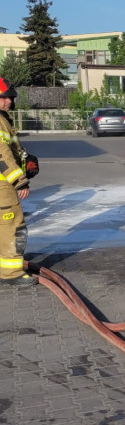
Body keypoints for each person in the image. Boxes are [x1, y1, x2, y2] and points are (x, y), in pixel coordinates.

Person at [0, 77, 39, 288]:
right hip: (3, 186)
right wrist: (20, 181)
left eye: (10, 98)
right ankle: (11, 272)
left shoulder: (3, 119)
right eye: (5, 97)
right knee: (13, 227)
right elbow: (1, 155)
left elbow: (12, 150)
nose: (9, 102)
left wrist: (26, 161)